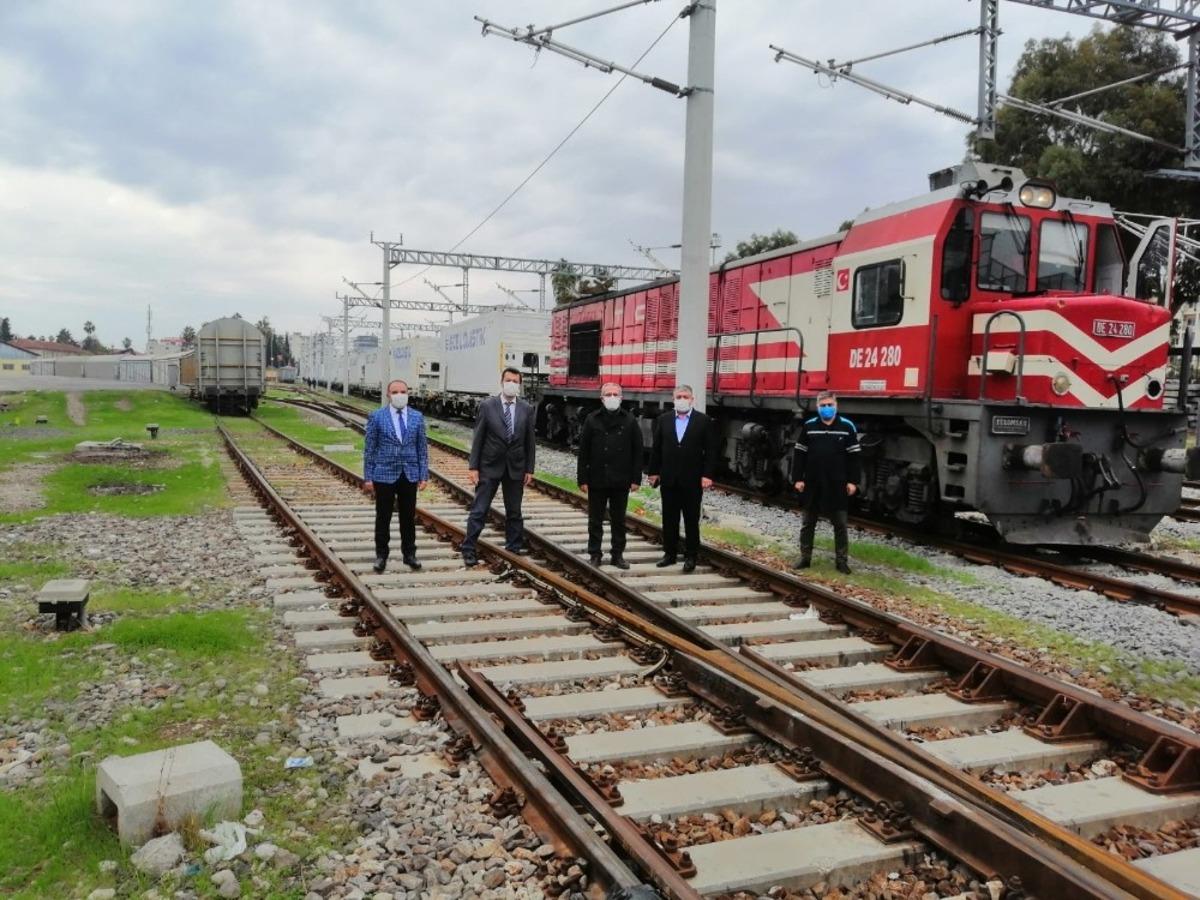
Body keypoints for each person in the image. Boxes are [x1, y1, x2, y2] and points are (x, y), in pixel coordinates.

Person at [461, 367, 536, 566]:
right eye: (508, 380)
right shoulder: (488, 406)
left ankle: (513, 549)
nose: (511, 384)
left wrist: (529, 468)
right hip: (489, 466)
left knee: (514, 512)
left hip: (515, 468)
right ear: (502, 382)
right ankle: (468, 548)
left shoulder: (527, 409)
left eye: (515, 381)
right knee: (479, 509)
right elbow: (478, 437)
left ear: (520, 385)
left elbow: (530, 441)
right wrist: (473, 466)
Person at [647, 384, 718, 574]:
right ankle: (669, 554)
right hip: (669, 479)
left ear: (692, 399)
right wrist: (653, 472)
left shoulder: (703, 421)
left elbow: (711, 451)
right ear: (673, 399)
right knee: (669, 518)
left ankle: (691, 556)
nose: (682, 400)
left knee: (691, 519)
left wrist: (707, 475)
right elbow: (657, 449)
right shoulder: (664, 420)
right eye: (679, 397)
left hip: (692, 480)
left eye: (685, 397)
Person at [362, 379, 429, 574]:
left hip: (409, 474)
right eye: (395, 392)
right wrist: (368, 477)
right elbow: (370, 449)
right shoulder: (377, 416)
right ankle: (381, 555)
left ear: (408, 393)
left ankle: (409, 554)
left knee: (408, 516)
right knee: (383, 516)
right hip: (384, 474)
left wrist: (423, 475)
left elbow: (422, 449)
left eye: (403, 391)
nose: (400, 395)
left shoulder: (417, 417)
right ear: (388, 395)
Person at [792, 390, 862, 574]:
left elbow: (854, 457)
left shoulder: (847, 426)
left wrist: (853, 481)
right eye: (823, 405)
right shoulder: (809, 426)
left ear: (836, 406)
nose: (827, 408)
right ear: (817, 407)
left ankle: (842, 561)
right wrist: (797, 478)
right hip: (812, 482)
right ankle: (805, 558)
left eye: (830, 405)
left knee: (840, 524)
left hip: (837, 483)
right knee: (808, 522)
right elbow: (799, 453)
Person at [577, 383, 643, 569]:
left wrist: (636, 479)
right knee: (595, 519)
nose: (612, 397)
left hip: (621, 478)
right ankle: (595, 553)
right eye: (608, 394)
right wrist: (582, 478)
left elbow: (638, 451)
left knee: (619, 520)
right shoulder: (592, 419)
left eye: (615, 394)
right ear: (602, 398)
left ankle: (617, 554)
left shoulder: (630, 420)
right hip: (597, 477)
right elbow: (583, 452)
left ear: (621, 398)